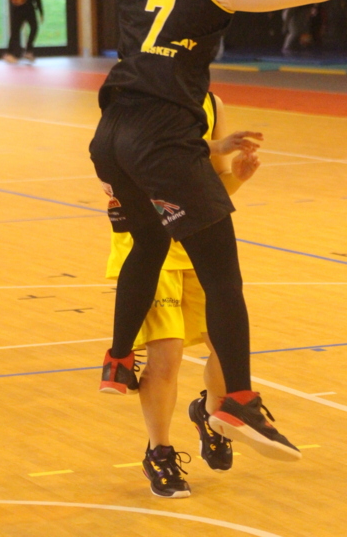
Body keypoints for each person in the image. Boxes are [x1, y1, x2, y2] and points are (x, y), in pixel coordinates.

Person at [55, 0, 347, 463]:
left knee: (149, 242)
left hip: (112, 133)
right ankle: (237, 400)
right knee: (223, 277)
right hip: (164, 139)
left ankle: (118, 359)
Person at [105, 91, 261, 498]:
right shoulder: (132, 96)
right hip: (150, 248)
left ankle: (209, 414)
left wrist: (237, 177)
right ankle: (159, 452)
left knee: (224, 345)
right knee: (166, 355)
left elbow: (214, 185)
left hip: (198, 241)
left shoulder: (212, 102)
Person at [4, 0, 44, 64]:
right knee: (16, 31)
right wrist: (16, 3)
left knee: (34, 27)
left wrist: (41, 12)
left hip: (30, 9)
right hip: (19, 9)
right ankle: (9, 53)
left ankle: (28, 51)